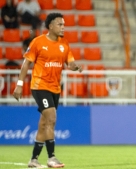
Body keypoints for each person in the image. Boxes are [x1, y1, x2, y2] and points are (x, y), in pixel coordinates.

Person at [13, 12, 83, 168]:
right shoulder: (38, 42)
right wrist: (19, 84)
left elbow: (69, 63)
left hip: (55, 88)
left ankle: (33, 159)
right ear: (50, 26)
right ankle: (51, 157)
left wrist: (75, 66)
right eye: (60, 24)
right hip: (40, 86)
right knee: (51, 117)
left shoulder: (64, 44)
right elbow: (26, 64)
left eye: (64, 24)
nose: (63, 27)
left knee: (44, 123)